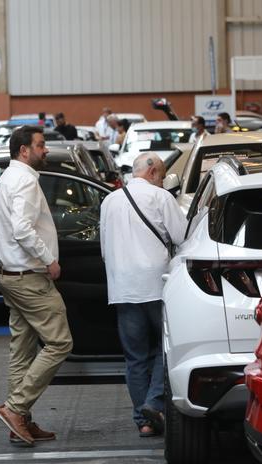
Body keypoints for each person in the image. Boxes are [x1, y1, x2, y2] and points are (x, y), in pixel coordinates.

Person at [0, 125, 72, 446]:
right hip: (29, 277)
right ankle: (15, 408)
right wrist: (49, 258)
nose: (45, 150)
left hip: (9, 276)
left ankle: (19, 422)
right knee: (60, 343)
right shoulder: (24, 180)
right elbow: (23, 229)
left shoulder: (5, 180)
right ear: (24, 151)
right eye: (41, 145)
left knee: (21, 351)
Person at [99, 152, 186, 437]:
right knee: (165, 349)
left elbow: (103, 249)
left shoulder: (108, 202)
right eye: (160, 175)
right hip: (157, 285)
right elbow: (182, 238)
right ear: (151, 172)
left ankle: (145, 422)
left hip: (122, 289)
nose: (161, 181)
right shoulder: (161, 198)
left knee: (135, 358)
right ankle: (153, 402)